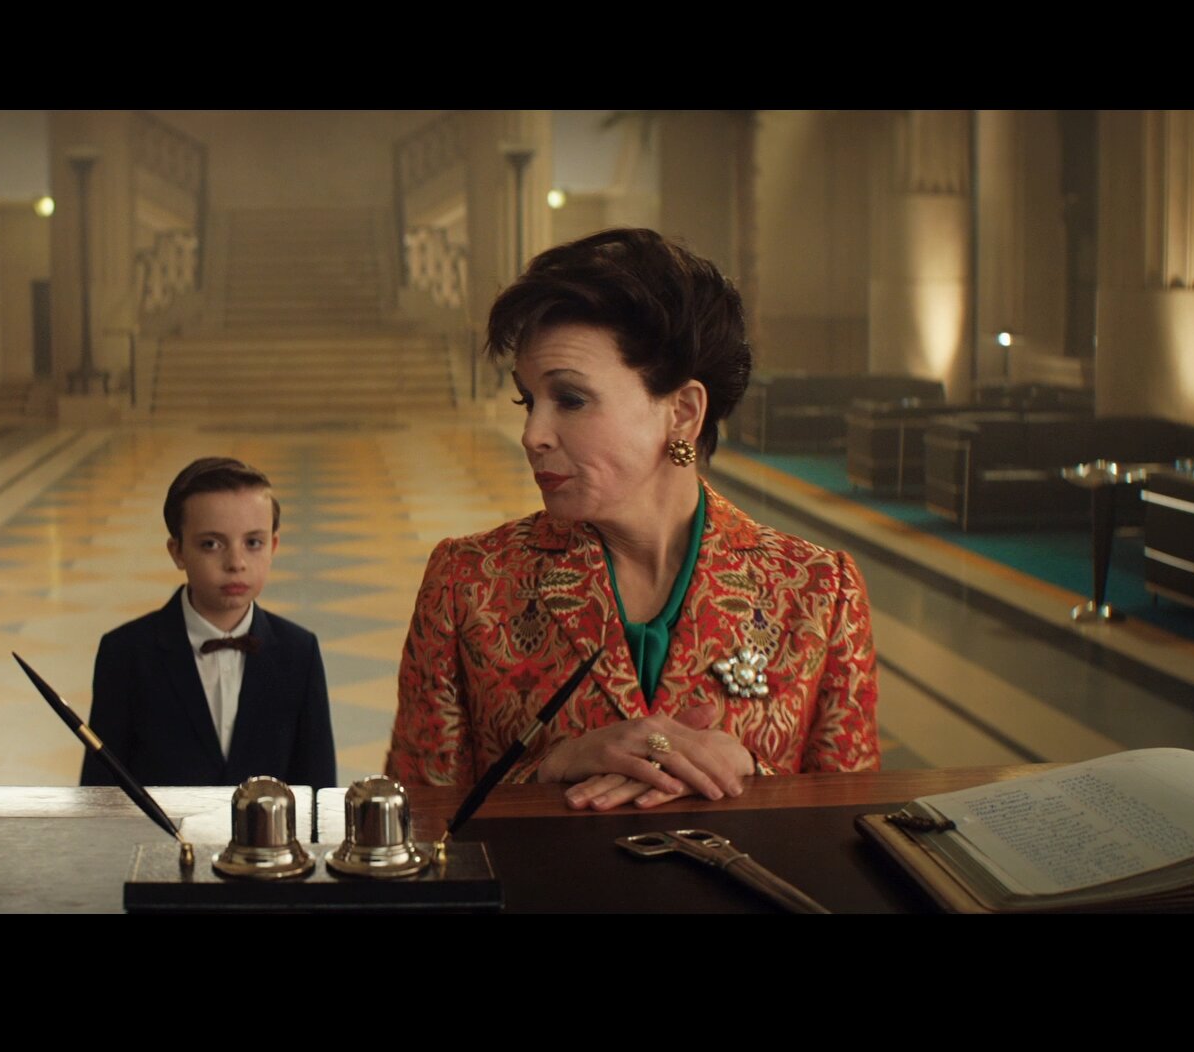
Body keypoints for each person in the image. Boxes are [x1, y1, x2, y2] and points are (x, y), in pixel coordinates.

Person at [386, 228, 878, 811]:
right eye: (528, 401)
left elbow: (855, 817)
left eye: (570, 399)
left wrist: (748, 773)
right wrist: (551, 769)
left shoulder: (817, 591)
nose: (532, 434)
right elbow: (415, 818)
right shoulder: (469, 583)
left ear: (682, 412)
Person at [83, 457, 336, 788]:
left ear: (273, 546)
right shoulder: (126, 653)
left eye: (253, 543)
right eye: (211, 544)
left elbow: (318, 789)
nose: (235, 562)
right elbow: (100, 789)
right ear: (177, 551)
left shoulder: (300, 651)